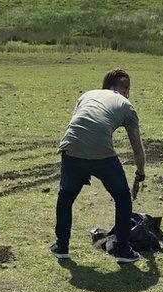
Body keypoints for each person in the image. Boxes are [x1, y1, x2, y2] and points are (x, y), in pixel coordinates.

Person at [51, 68, 146, 263]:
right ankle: (123, 250)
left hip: (71, 146)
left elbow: (78, 125)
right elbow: (137, 148)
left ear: (106, 86)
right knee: (122, 197)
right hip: (101, 152)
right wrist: (140, 174)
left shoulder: (87, 95)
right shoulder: (127, 105)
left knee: (66, 197)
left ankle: (61, 246)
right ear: (126, 89)